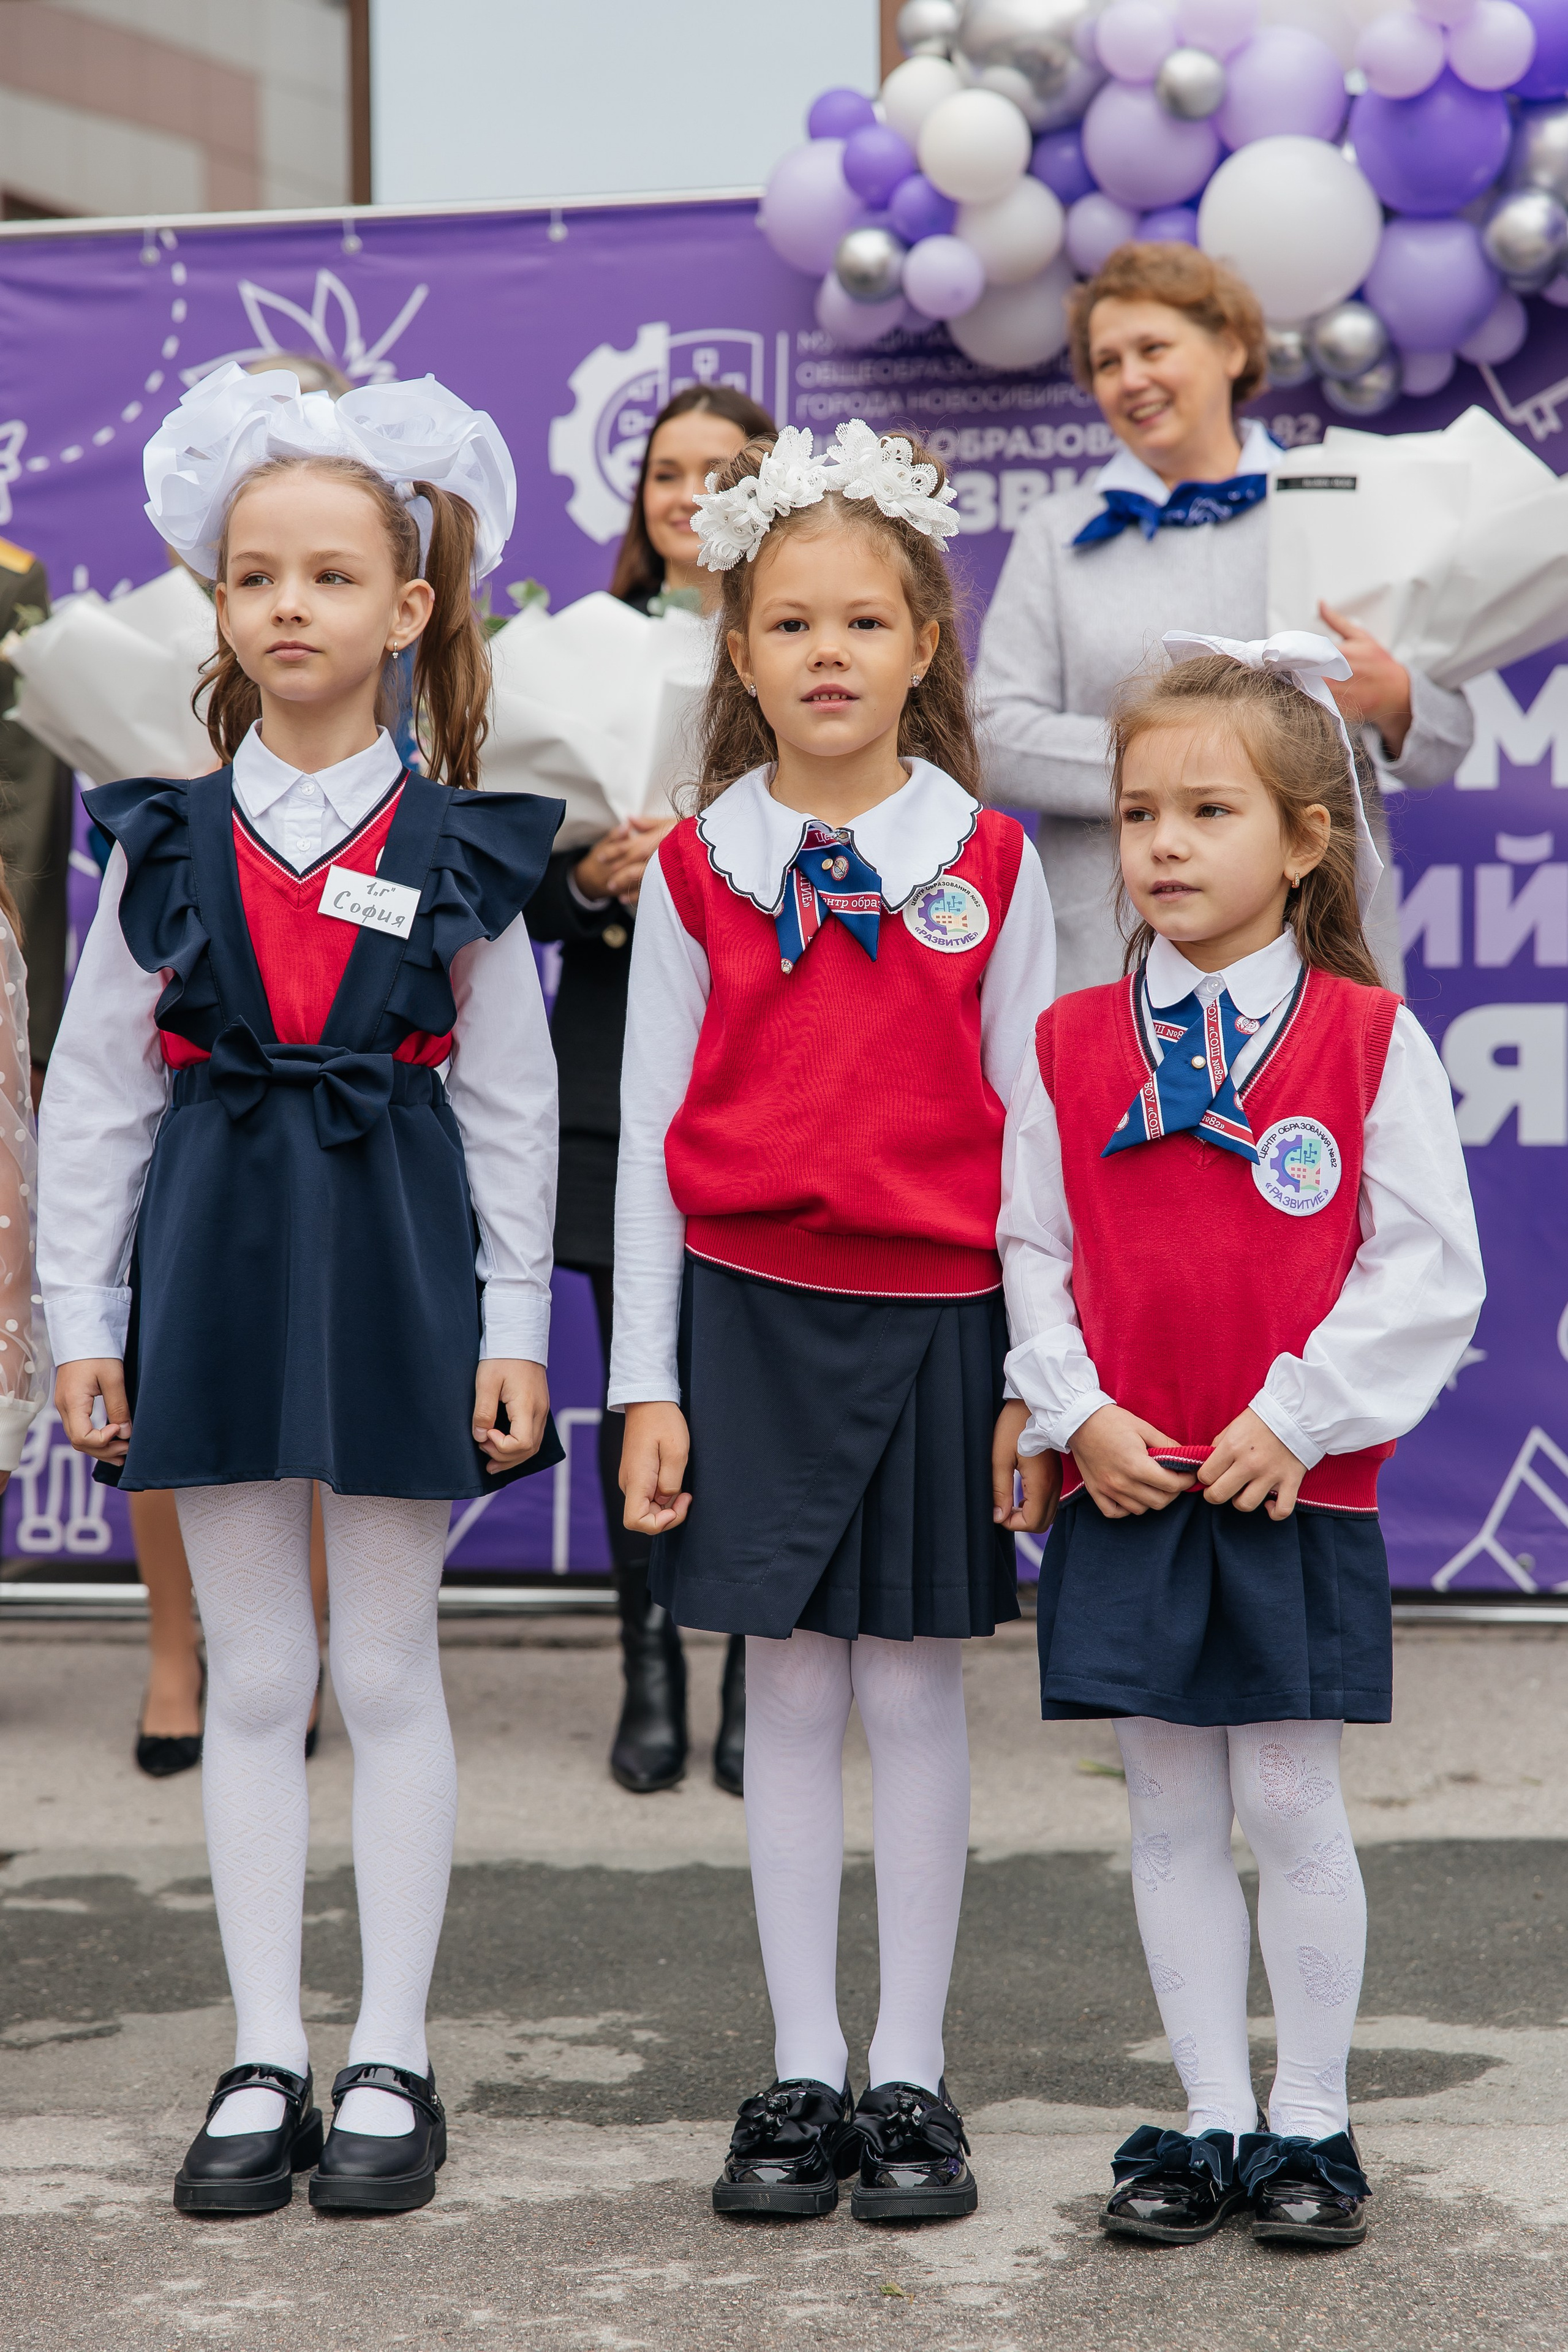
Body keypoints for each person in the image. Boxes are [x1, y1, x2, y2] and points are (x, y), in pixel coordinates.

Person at [38, 364, 563, 2218]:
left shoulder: (463, 845)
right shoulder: (161, 837)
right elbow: (98, 1092)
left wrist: (516, 1326)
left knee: (388, 1663)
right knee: (257, 1668)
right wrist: (84, 1317)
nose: (288, 605)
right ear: (217, 603)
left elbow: (511, 1106)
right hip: (216, 1263)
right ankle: (264, 2047)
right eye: (255, 574)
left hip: (399, 1261)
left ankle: (391, 2050)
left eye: (331, 576)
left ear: (407, 607)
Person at [612, 421, 1056, 2221]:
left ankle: (912, 2072)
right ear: (736, 650)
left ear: (923, 643)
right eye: (788, 622)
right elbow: (650, 1137)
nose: (825, 653)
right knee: (785, 1690)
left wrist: (1036, 1374)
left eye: (863, 621)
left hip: (939, 1321)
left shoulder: (996, 860)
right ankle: (802, 2065)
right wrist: (643, 1378)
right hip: (745, 1324)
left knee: (916, 1695)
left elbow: (1032, 1143)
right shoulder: (692, 868)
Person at [996, 631, 1484, 2248]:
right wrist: (1073, 1408)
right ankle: (1207, 2116)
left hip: (1294, 1491)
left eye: (1209, 813)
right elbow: (1033, 1247)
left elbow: (1427, 1269)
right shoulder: (1068, 1042)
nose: (1163, 845)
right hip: (1131, 1485)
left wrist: (1296, 1412)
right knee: (1163, 1813)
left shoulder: (1366, 1038)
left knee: (1285, 1803)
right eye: (1140, 813)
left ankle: (1310, 2124)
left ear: (1302, 839)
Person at [976, 242, 1474, 996]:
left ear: (1232, 349)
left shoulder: (1336, 504)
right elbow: (993, 738)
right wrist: (1190, 770)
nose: (1130, 378)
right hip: (1114, 953)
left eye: (1152, 348)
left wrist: (1398, 698)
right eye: (1107, 363)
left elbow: (1445, 741)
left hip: (1319, 947)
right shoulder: (1057, 530)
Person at [527, 383, 775, 1798]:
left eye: (719, 470)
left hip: (768, 1068)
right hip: (617, 1064)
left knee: (749, 1382)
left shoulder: (802, 644)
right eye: (665, 471)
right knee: (643, 1379)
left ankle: (750, 1666)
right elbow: (515, 901)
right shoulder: (579, 651)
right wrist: (590, 877)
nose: (687, 495)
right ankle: (651, 1665)